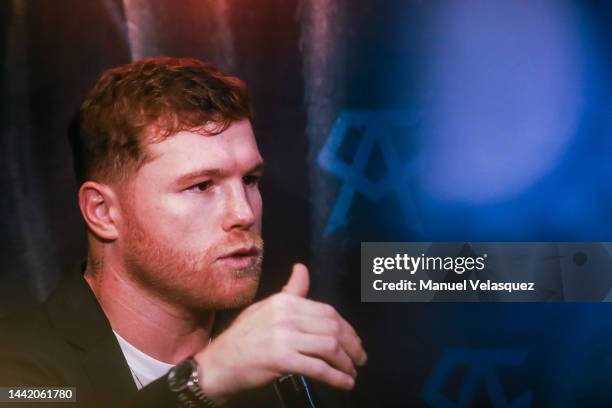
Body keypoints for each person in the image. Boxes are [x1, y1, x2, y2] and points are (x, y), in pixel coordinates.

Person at [0, 57, 366, 407]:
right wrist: (206, 379)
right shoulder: (15, 364)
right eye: (202, 186)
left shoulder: (293, 365)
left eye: (251, 180)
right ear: (103, 212)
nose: (243, 212)